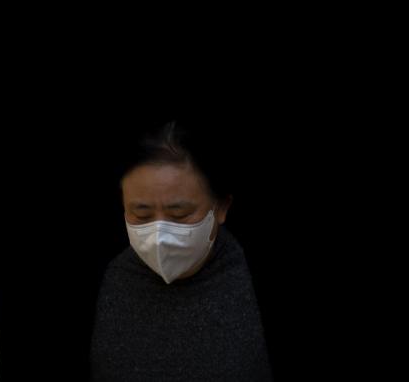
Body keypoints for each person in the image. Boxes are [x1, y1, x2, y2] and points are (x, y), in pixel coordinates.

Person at [90, 120, 272, 381]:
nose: (160, 235)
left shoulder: (248, 280)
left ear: (221, 207)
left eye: (180, 214)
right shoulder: (114, 280)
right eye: (141, 215)